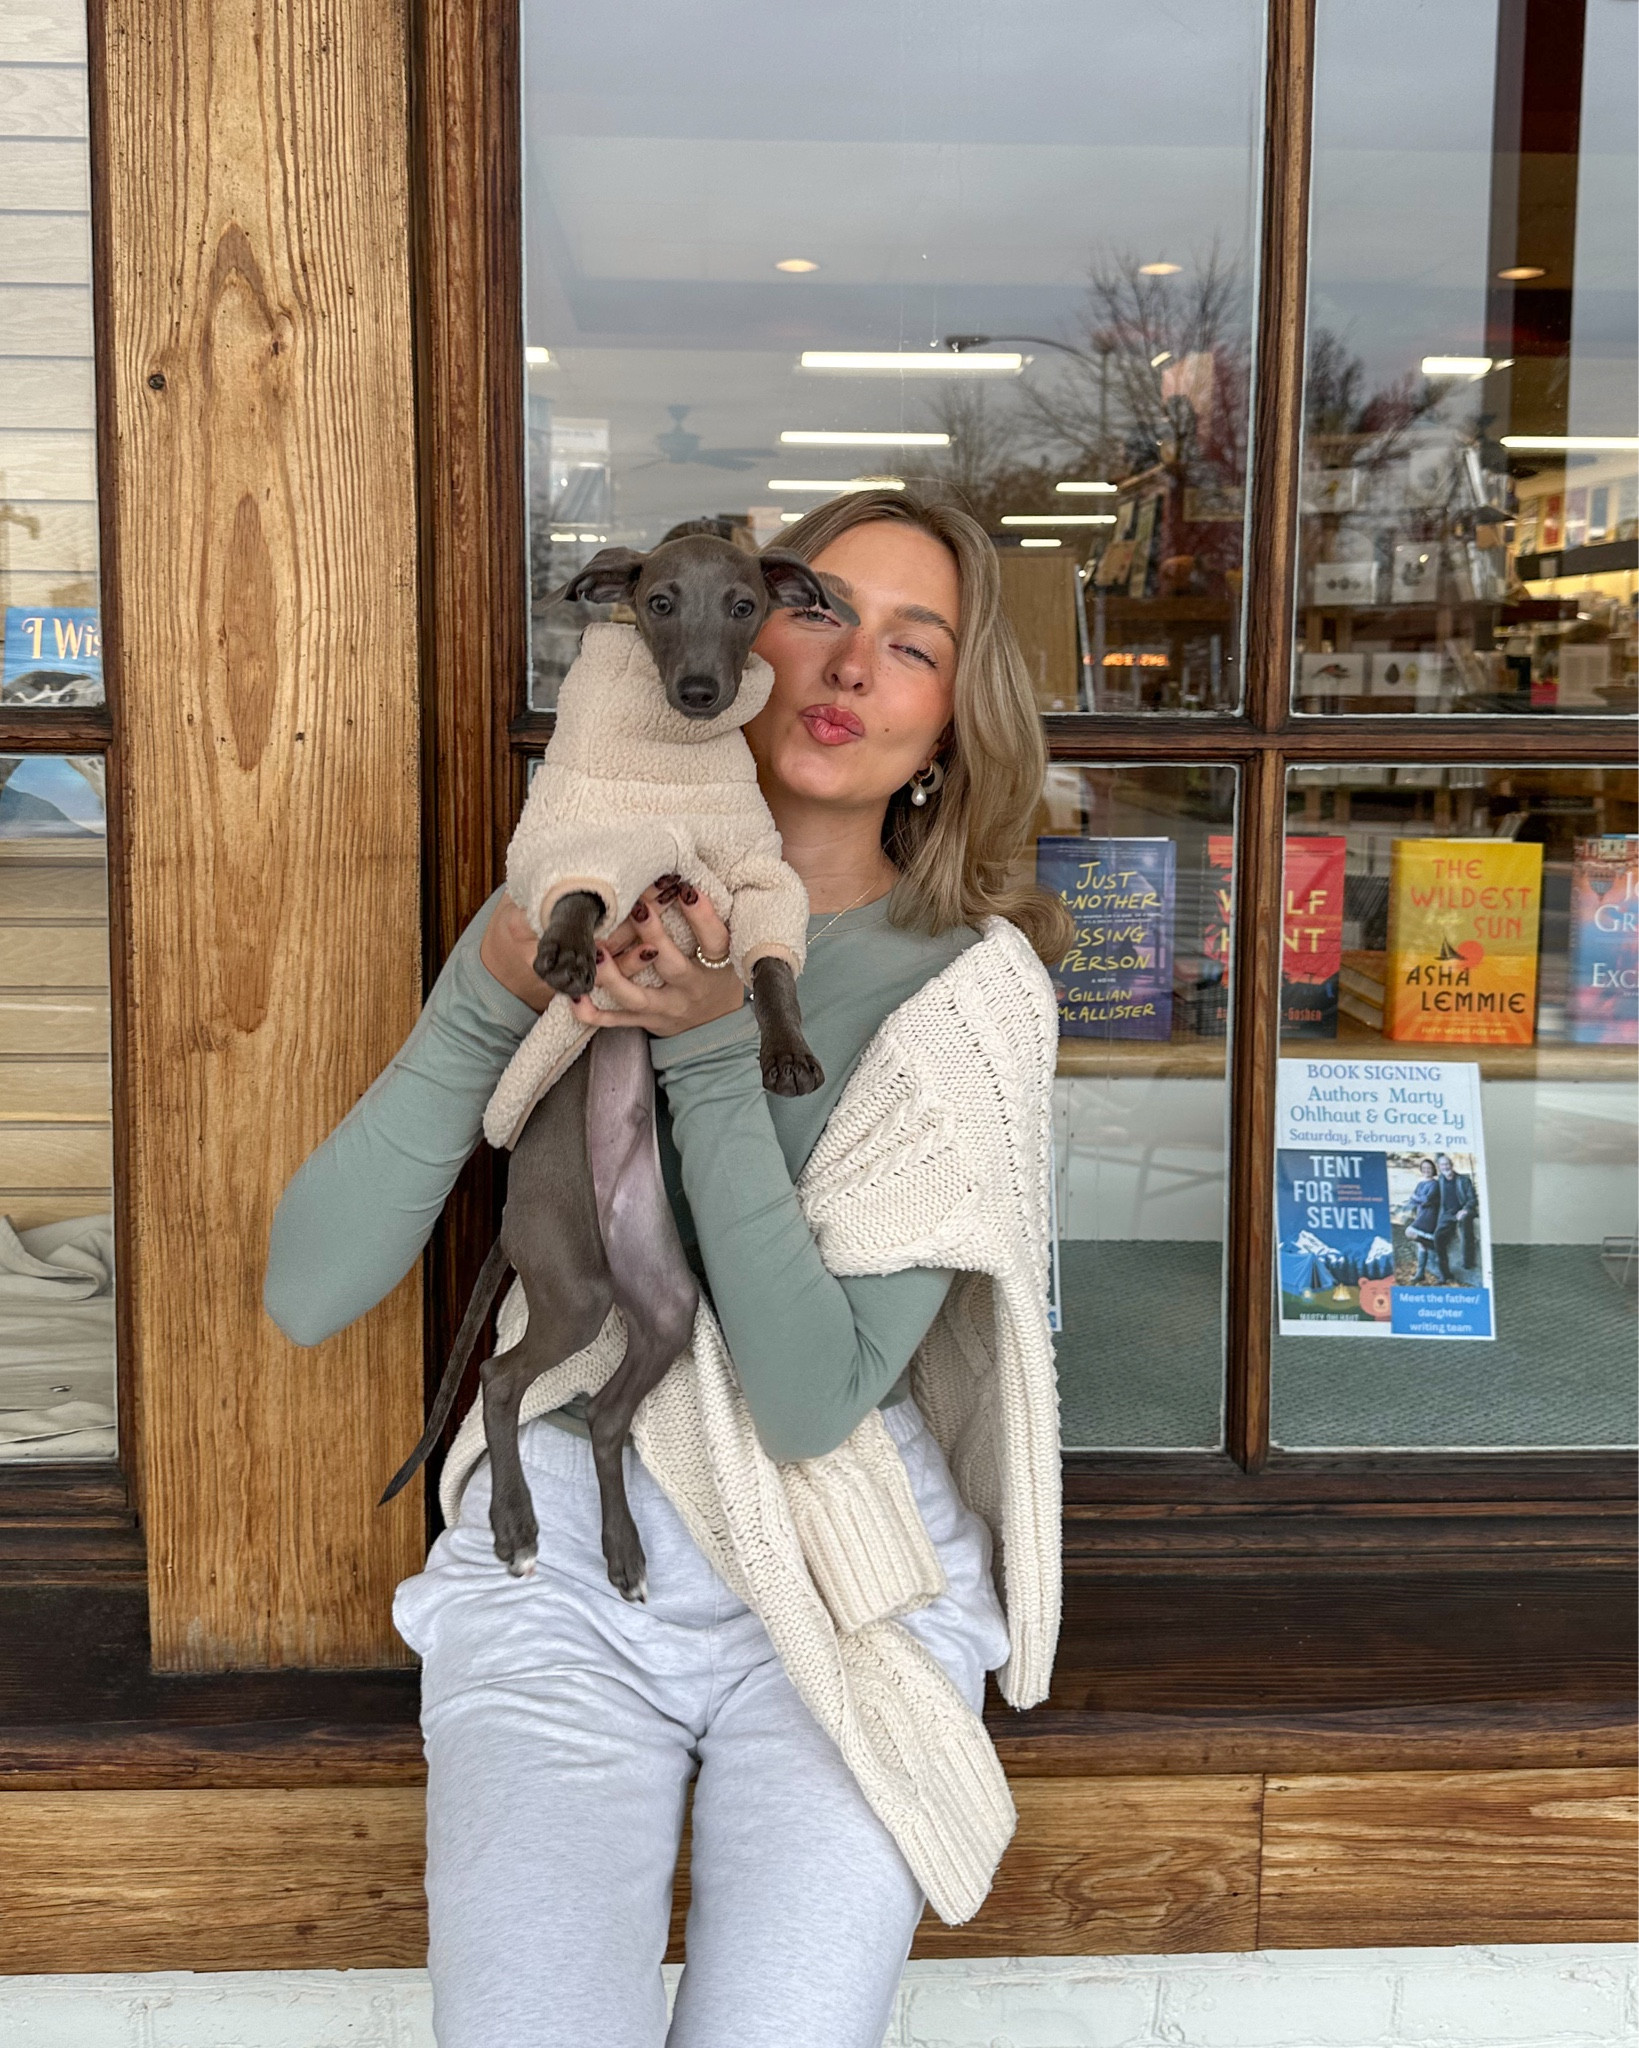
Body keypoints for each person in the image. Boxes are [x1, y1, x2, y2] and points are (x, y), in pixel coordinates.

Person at [263, 489, 1072, 2048]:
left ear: (951, 729)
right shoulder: (582, 914)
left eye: (915, 651)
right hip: (563, 1556)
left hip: (841, 1577)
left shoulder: (973, 996)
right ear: (732, 626)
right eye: (822, 611)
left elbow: (812, 1392)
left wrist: (709, 1055)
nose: (847, 671)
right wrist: (477, 1007)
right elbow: (309, 1289)